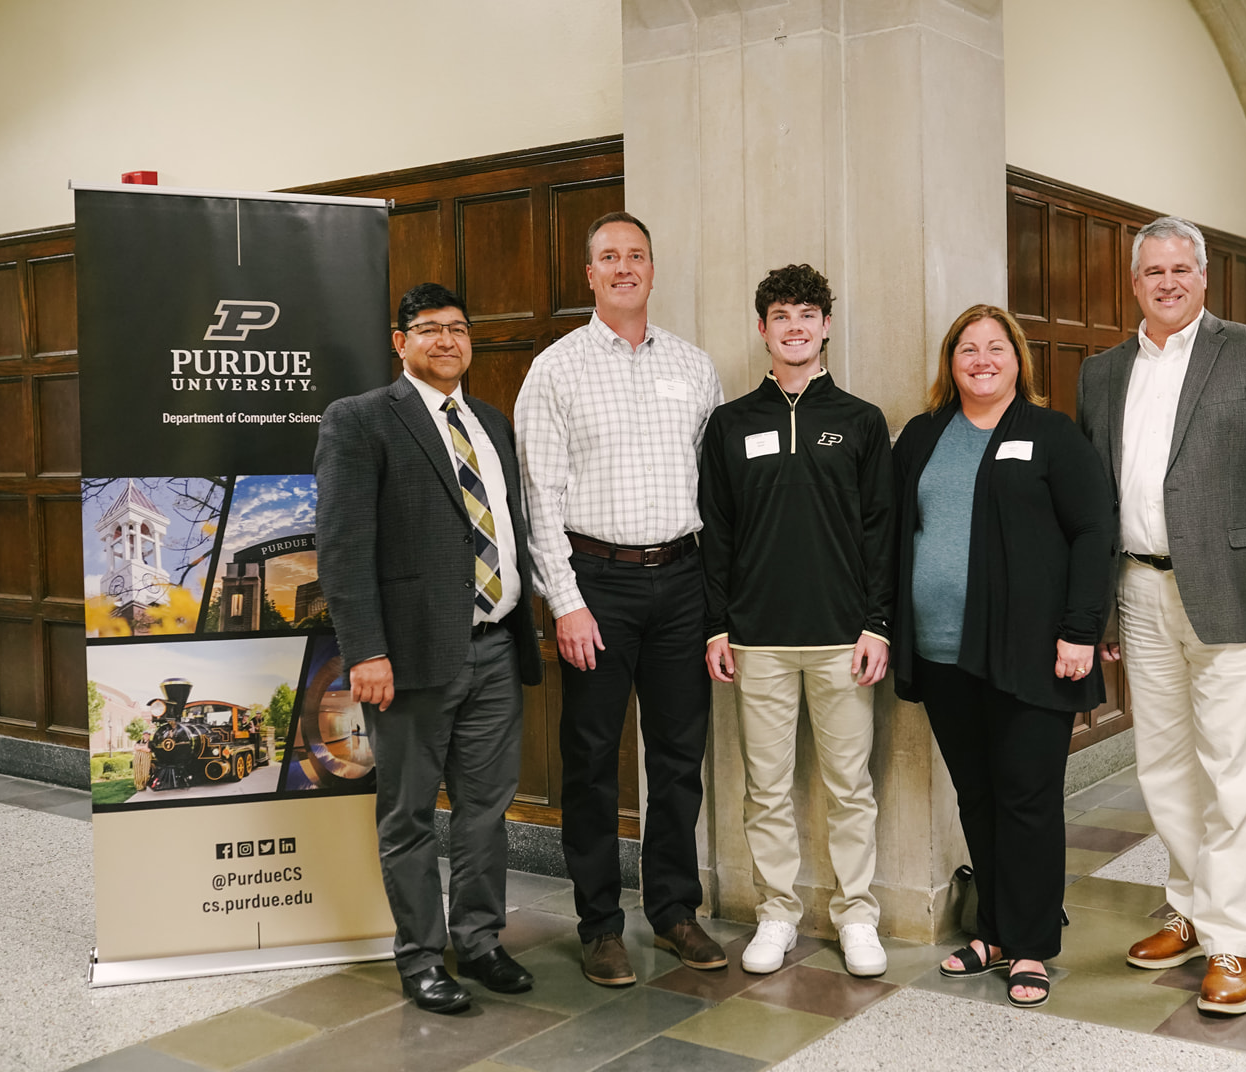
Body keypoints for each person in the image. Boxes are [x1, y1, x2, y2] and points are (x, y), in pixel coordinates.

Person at [1075, 216, 1246, 1015]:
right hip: (1139, 592)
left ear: (1204, 277)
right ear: (1134, 282)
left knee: (1236, 772)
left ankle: (1232, 944)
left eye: (1182, 269)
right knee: (1165, 768)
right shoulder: (1103, 373)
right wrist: (1099, 609)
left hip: (1237, 598)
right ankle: (1187, 906)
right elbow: (1094, 500)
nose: (1168, 282)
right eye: (1154, 272)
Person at [315, 282, 543, 1015]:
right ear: (401, 342)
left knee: (485, 810)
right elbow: (344, 548)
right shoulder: (359, 421)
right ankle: (419, 956)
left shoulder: (489, 421)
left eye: (458, 328)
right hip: (407, 657)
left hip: (496, 648)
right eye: (429, 329)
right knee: (410, 814)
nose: (446, 340)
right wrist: (366, 652)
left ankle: (478, 940)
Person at [515, 211, 727, 987]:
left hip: (681, 578)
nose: (625, 266)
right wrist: (565, 602)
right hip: (595, 585)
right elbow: (541, 496)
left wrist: (715, 601)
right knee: (592, 760)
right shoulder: (557, 369)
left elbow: (717, 488)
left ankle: (673, 911)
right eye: (610, 256)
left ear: (651, 268)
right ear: (590, 274)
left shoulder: (694, 367)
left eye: (637, 254)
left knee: (678, 758)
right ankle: (600, 923)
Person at [892, 304, 1115, 1009]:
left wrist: (1081, 630)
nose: (982, 359)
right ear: (949, 362)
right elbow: (896, 531)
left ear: (1018, 359)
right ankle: (991, 928)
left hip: (1029, 654)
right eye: (967, 348)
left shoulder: (1051, 436)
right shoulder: (924, 436)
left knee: (1028, 798)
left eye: (996, 347)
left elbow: (1093, 532)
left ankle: (1032, 944)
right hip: (942, 651)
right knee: (979, 795)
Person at [698, 264, 894, 977]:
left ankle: (857, 917)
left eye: (807, 314)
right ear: (763, 329)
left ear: (826, 326)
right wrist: (717, 625)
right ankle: (777, 912)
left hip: (845, 638)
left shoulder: (861, 421)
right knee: (766, 788)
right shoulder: (730, 424)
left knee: (850, 787)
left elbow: (882, 530)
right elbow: (715, 531)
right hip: (757, 641)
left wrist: (879, 624)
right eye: (781, 315)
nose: (795, 327)